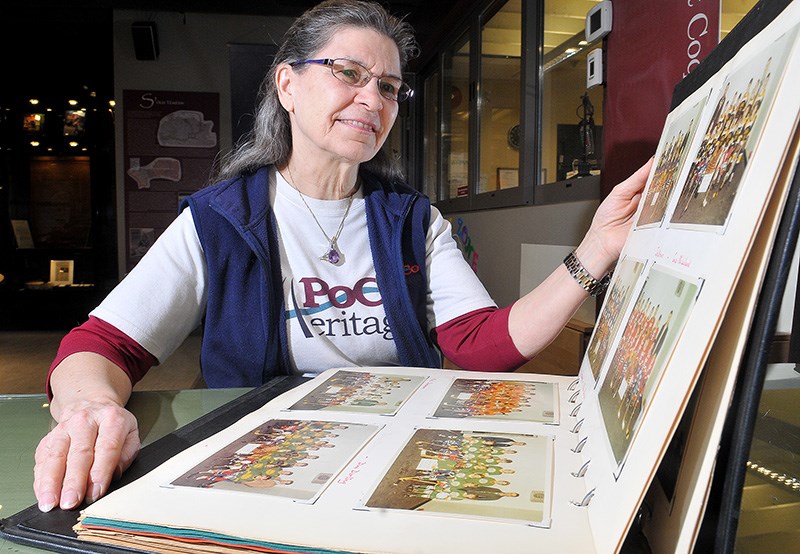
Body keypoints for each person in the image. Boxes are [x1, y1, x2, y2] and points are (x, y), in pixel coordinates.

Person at [33, 0, 652, 513]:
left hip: (395, 464)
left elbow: (478, 342)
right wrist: (90, 406)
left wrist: (596, 249)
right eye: (348, 73)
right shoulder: (221, 218)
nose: (372, 99)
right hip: (264, 465)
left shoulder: (411, 218)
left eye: (388, 87)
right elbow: (100, 347)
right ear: (288, 84)